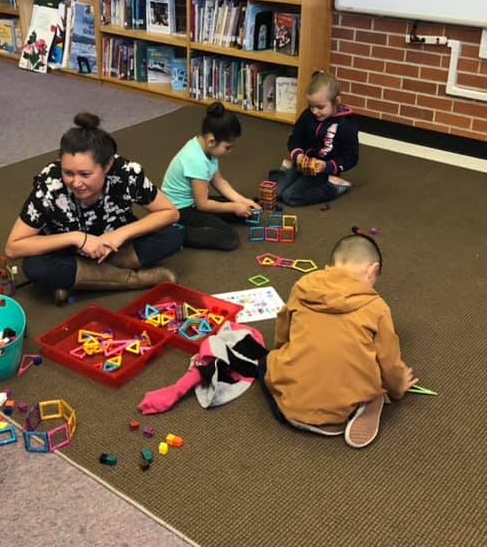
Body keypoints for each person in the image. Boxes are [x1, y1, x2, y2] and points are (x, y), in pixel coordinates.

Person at [5, 112, 182, 305]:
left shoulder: (127, 174)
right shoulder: (50, 183)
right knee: (34, 266)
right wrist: (77, 238)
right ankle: (136, 279)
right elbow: (13, 247)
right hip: (69, 252)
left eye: (85, 174)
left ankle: (80, 281)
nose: (76, 182)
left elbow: (170, 212)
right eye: (68, 173)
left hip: (115, 247)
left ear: (108, 165)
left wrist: (119, 234)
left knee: (173, 234)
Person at [262, 231, 418, 448]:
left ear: (332, 265)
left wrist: (288, 355)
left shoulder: (302, 286)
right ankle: (362, 404)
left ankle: (300, 407)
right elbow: (389, 362)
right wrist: (398, 387)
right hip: (337, 415)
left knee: (266, 361)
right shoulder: (377, 307)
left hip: (289, 406)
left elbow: (282, 332)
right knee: (372, 376)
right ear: (372, 270)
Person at [161, 102, 259, 251]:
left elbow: (219, 181)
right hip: (181, 210)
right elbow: (203, 205)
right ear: (212, 141)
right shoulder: (195, 159)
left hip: (196, 201)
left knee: (247, 212)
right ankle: (176, 232)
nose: (230, 152)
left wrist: (242, 200)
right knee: (229, 238)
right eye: (228, 147)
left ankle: (213, 219)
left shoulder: (208, 149)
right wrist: (234, 206)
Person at [270, 70, 359, 207]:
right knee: (277, 193)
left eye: (320, 107)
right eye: (311, 106)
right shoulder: (307, 115)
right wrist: (298, 155)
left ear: (337, 101)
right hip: (302, 164)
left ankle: (334, 187)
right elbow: (295, 139)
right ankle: (286, 170)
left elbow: (351, 157)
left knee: (290, 197)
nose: (315, 111)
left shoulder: (347, 126)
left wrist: (327, 166)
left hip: (323, 171)